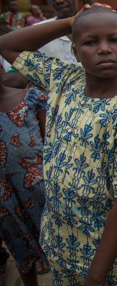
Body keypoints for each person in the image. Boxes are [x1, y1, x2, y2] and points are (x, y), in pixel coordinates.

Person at [0, 5, 117, 284]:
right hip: (60, 243)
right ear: (75, 51)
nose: (104, 48)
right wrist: (71, 21)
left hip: (104, 257)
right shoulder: (63, 78)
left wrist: (96, 275)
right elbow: (7, 45)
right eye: (90, 42)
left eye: (114, 40)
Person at [0, 72, 48, 286]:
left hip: (40, 186)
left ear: (2, 69)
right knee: (18, 245)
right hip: (3, 197)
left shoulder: (31, 98)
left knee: (54, 238)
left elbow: (52, 141)